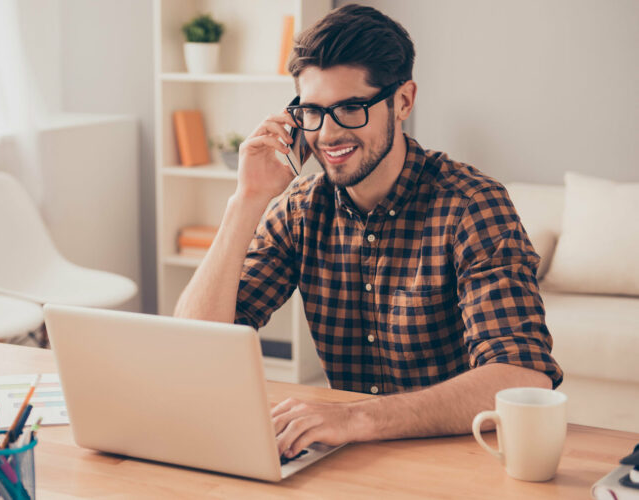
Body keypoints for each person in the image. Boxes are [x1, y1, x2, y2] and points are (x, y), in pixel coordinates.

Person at [174, 4, 562, 460]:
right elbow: (195, 352)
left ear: (403, 101)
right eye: (312, 112)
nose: (328, 133)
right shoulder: (300, 211)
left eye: (351, 108)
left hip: (460, 456)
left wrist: (356, 417)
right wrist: (246, 202)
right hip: (350, 460)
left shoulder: (473, 205)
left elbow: (521, 375)